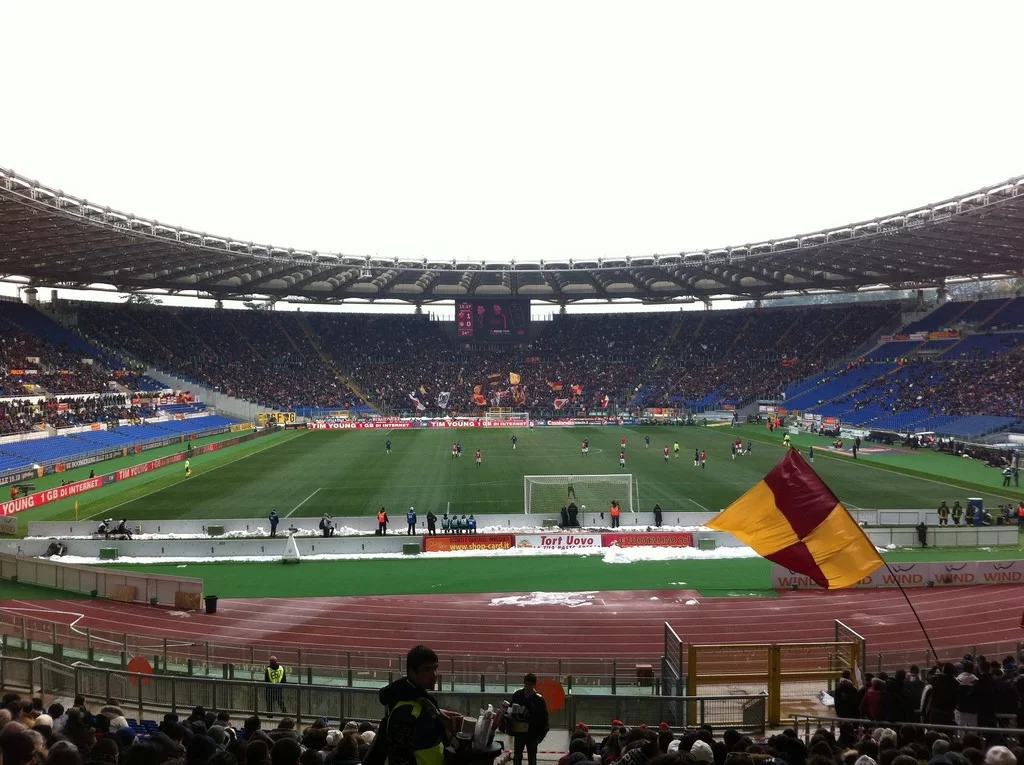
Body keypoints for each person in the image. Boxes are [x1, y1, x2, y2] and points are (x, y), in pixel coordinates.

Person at [376, 645, 456, 765]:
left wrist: (435, 713)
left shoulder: (420, 700)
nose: (434, 674)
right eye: (427, 669)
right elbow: (398, 759)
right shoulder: (405, 712)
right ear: (412, 671)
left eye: (435, 668)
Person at [503, 673, 549, 765]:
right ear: (524, 683)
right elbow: (510, 711)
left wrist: (540, 737)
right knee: (517, 756)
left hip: (532, 733)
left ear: (534, 685)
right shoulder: (518, 695)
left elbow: (544, 719)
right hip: (519, 732)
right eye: (526, 684)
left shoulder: (539, 700)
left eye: (530, 684)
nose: (528, 687)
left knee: (532, 757)